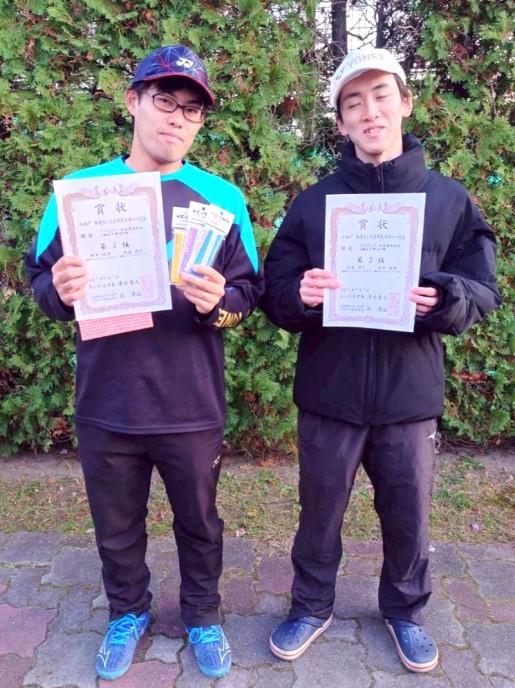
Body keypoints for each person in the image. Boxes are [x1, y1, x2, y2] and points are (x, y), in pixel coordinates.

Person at [25, 45, 263, 681]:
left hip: (191, 403)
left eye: (192, 109)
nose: (177, 118)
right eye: (164, 100)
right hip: (107, 400)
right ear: (132, 102)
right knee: (117, 526)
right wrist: (61, 292)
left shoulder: (222, 199)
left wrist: (218, 305)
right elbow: (42, 284)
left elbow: (248, 295)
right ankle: (127, 611)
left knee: (200, 523)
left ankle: (203, 615)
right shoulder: (80, 193)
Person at [260, 47, 501, 673]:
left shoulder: (448, 200)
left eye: (380, 96)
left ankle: (405, 611)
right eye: (353, 103)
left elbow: (483, 289)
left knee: (408, 516)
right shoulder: (314, 203)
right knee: (319, 514)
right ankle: (311, 606)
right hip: (329, 395)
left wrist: (446, 297)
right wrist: (300, 295)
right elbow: (275, 289)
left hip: (408, 397)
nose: (369, 111)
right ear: (341, 122)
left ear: (405, 103)